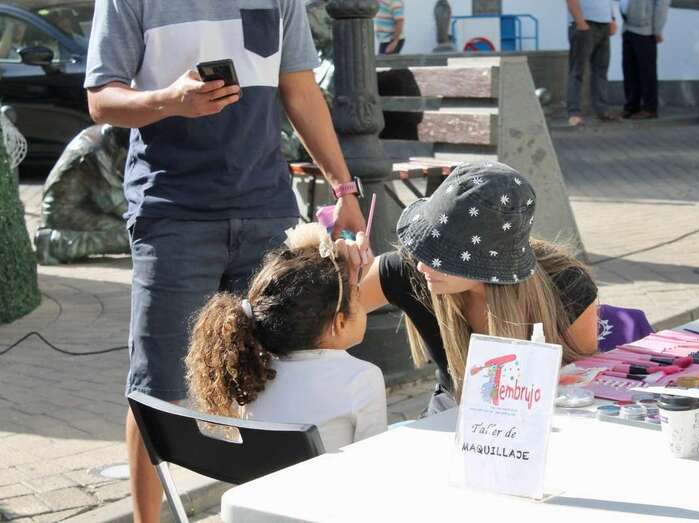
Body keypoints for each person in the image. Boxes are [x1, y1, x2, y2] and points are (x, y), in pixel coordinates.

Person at [84, 1, 366, 521]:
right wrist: (171, 100)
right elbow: (102, 100)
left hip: (267, 210)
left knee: (280, 373)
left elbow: (301, 90)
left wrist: (343, 188)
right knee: (158, 389)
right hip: (171, 214)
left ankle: (271, 512)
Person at [339, 161, 599, 410]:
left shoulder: (567, 285)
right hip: (449, 411)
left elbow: (578, 388)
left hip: (541, 417)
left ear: (488, 262)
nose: (422, 266)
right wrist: (345, 274)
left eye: (443, 256)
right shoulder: (408, 269)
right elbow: (330, 323)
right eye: (426, 246)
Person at [186, 223, 387, 452]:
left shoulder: (252, 375)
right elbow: (372, 461)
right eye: (358, 296)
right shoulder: (362, 378)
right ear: (339, 323)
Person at [35, 124, 130, 265]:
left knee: (137, 230)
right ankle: (54, 244)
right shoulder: (94, 152)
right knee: (131, 235)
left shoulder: (103, 136)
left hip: (84, 204)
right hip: (63, 213)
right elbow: (115, 202)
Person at [565, 0, 619, 127]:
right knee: (577, 71)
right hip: (584, 23)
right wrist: (580, 22)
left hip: (604, 25)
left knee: (601, 71)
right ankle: (574, 113)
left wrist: (611, 19)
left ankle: (602, 111)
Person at [620, 0, 670, 120]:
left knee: (647, 71)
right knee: (629, 70)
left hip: (645, 30)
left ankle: (650, 108)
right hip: (627, 27)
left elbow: (662, 4)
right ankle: (631, 106)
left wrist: (657, 30)